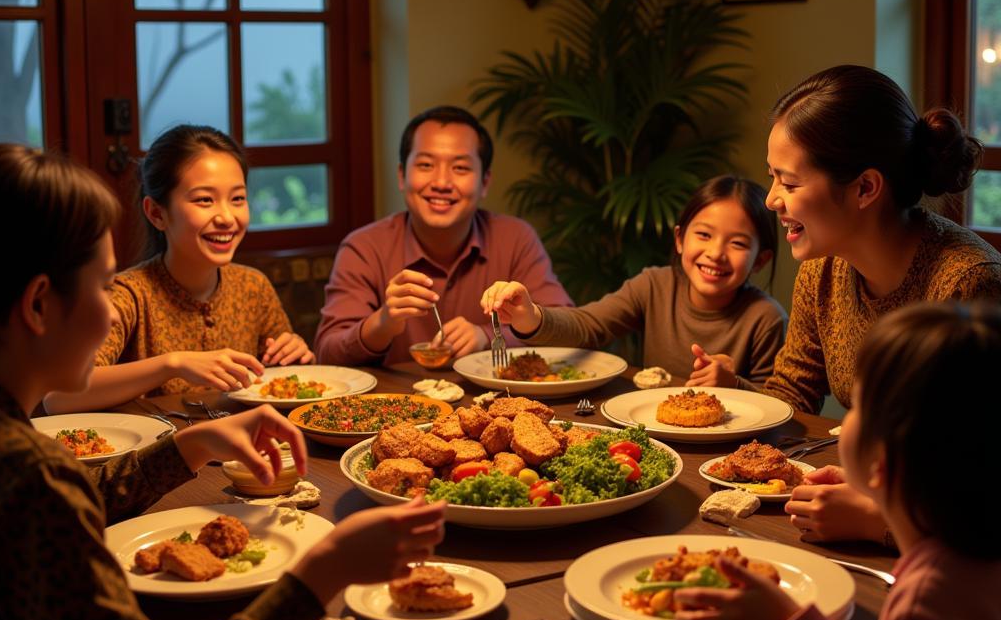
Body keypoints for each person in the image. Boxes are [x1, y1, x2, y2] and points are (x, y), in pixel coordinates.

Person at [0, 143, 446, 620]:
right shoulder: (28, 476)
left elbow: (72, 494)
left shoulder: (2, 448)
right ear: (37, 305)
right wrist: (320, 574)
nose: (112, 308)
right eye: (101, 284)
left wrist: (190, 445)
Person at [674, 300, 1001, 620]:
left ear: (882, 465)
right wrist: (876, 493)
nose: (843, 419)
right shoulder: (976, 555)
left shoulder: (933, 596)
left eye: (858, 408)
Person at [750, 65, 1001, 544]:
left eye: (790, 182)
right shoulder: (824, 268)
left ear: (865, 187)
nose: (771, 200)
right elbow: (792, 390)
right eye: (772, 178)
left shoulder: (970, 285)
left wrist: (879, 520)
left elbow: (985, 488)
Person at [45, 125, 315, 414]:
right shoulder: (129, 295)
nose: (226, 217)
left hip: (245, 451)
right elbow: (58, 397)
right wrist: (171, 365)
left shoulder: (253, 286)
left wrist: (297, 356)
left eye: (237, 198)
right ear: (157, 214)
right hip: (153, 454)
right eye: (204, 200)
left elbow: (279, 383)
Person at [315, 105, 572, 366]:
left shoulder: (515, 238)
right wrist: (383, 322)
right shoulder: (364, 247)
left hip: (497, 402)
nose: (441, 183)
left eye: (460, 168)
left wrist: (487, 336)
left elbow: (567, 331)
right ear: (402, 176)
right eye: (425, 165)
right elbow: (327, 353)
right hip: (398, 403)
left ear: (484, 182)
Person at [479, 175, 786, 388]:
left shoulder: (765, 317)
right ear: (680, 239)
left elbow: (786, 405)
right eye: (703, 235)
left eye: (738, 244)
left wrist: (734, 384)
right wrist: (530, 316)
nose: (716, 253)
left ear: (760, 260)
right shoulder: (654, 285)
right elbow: (589, 325)